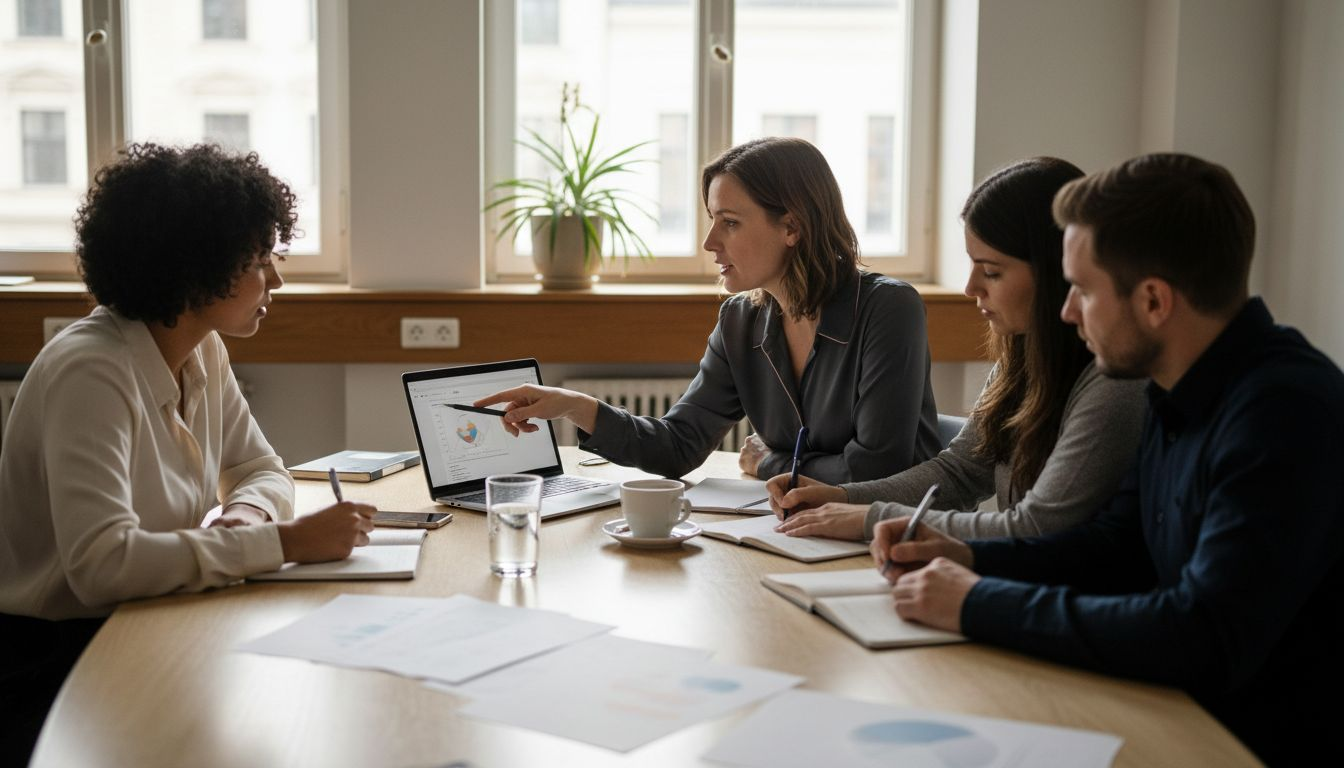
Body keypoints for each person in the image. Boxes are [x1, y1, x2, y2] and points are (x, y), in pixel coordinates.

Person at [872, 153, 1343, 767]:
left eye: (1084, 291)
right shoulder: (1179, 383)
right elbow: (1116, 546)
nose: (1066, 312)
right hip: (1177, 711)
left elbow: (1202, 634)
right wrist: (965, 554)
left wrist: (974, 601)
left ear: (1153, 301)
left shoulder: (1282, 411)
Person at [0, 143, 378, 763]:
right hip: (51, 659)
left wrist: (245, 519)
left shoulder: (199, 348)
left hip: (144, 620)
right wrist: (284, 543)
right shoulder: (90, 371)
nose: (276, 279)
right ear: (193, 269)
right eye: (259, 261)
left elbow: (262, 469)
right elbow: (99, 567)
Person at [476, 137, 940, 483]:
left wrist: (773, 462)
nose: (709, 243)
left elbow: (878, 470)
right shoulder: (741, 321)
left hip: (885, 545)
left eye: (730, 223)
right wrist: (577, 407)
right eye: (712, 220)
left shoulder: (888, 309)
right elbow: (678, 446)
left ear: (792, 227)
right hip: (795, 535)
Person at [766, 157, 1146, 542]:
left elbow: (1036, 528)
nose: (970, 288)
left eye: (992, 271)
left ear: (1056, 273)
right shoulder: (1021, 360)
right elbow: (960, 472)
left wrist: (869, 518)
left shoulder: (1113, 386)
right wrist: (844, 498)